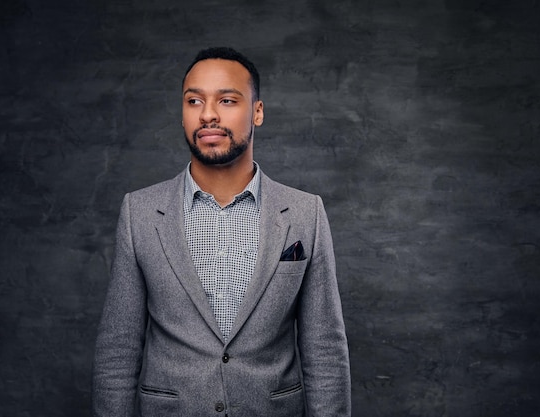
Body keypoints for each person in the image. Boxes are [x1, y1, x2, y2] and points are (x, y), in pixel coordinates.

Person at [92, 46, 351, 417]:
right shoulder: (140, 212)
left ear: (257, 112)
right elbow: (118, 349)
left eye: (227, 100)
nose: (208, 114)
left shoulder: (305, 214)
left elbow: (325, 350)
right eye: (194, 100)